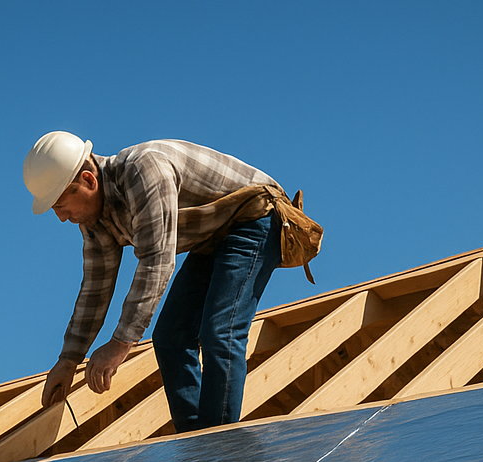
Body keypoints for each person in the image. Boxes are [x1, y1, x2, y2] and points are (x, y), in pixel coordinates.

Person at [24, 132, 290, 432]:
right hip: (213, 237)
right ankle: (195, 447)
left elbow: (157, 260)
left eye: (60, 205)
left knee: (220, 332)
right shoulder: (94, 219)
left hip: (254, 218)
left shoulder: (142, 171)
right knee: (170, 337)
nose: (61, 217)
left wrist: (120, 343)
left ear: (88, 181)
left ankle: (218, 451)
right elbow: (95, 289)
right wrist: (68, 359)